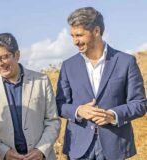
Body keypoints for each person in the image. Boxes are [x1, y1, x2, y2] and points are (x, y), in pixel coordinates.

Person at [56, 7, 147, 160]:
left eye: (79, 35)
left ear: (96, 31)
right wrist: (79, 110)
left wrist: (113, 115)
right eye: (72, 36)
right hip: (79, 148)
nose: (75, 41)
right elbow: (59, 105)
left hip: (115, 147)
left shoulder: (126, 62)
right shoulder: (68, 65)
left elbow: (139, 104)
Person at [0, 33, 60, 160]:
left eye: (4, 57)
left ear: (17, 55)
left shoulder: (41, 80)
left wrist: (41, 150)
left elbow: (52, 120)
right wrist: (3, 152)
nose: (0, 64)